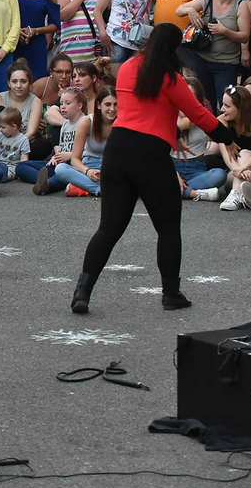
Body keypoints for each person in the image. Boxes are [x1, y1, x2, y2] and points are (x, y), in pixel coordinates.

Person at [73, 24, 233, 313]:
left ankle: (82, 291)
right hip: (151, 156)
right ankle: (171, 293)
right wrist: (228, 138)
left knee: (109, 228)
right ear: (174, 48)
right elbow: (199, 114)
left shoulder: (129, 67)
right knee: (169, 228)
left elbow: (143, 109)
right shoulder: (171, 78)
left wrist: (171, 131)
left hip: (118, 150)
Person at [176, 0, 251, 104]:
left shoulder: (241, 6)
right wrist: (190, 10)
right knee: (204, 101)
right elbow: (179, 10)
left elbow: (244, 36)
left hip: (226, 63)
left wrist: (225, 31)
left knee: (226, 101)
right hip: (202, 59)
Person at [14, 0, 60, 79]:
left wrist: (36, 31)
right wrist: (17, 32)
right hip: (16, 41)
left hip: (37, 43)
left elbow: (55, 24)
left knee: (37, 80)